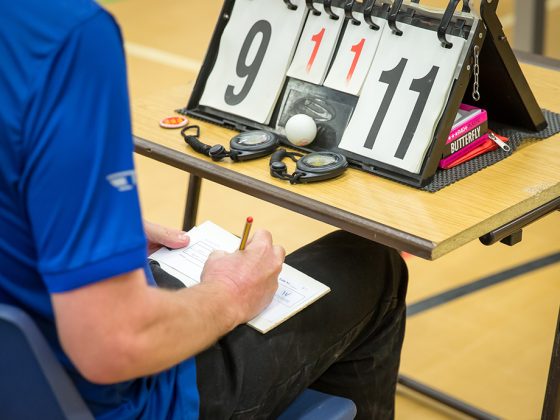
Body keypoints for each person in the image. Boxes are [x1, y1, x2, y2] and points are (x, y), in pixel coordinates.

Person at [0, 0, 408, 419]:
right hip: (115, 399)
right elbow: (117, 344)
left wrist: (94, 224)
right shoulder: (66, 37)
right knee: (371, 265)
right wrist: (230, 294)